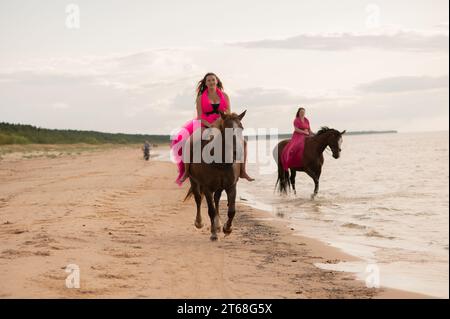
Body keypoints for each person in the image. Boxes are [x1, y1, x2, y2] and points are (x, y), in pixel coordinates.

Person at [171, 72, 254, 185]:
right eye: (208, 80)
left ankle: (243, 171)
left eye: (213, 80)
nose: (211, 82)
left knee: (243, 142)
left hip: (222, 123)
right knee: (189, 143)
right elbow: (199, 116)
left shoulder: (224, 96)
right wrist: (209, 125)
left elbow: (228, 113)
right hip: (204, 124)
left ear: (217, 81)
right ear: (205, 83)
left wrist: (220, 123)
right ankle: (186, 172)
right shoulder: (200, 98)